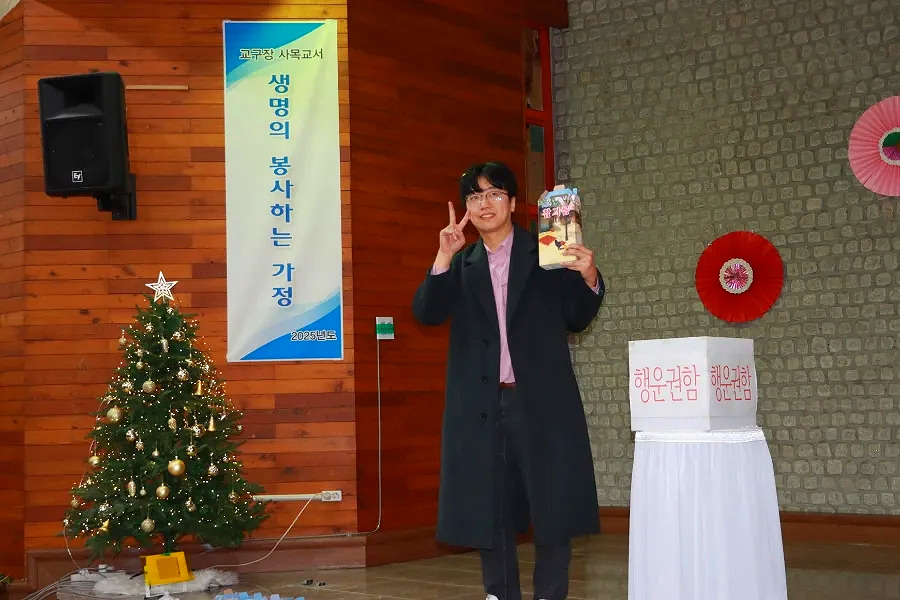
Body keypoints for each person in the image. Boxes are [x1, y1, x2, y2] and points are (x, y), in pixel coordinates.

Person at [412, 162, 605, 600]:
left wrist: (589, 276)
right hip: (481, 407)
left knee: (552, 508)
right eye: (475, 197)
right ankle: (500, 594)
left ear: (514, 203)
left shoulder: (549, 250)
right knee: (490, 510)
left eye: (495, 194)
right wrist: (442, 256)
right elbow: (426, 312)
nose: (485, 204)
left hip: (541, 403)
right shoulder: (462, 264)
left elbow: (577, 316)